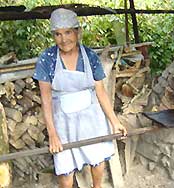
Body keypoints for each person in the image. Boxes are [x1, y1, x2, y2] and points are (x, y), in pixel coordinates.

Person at [33, 8, 127, 188]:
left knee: (97, 159)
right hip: (64, 123)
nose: (64, 39)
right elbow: (46, 100)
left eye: (68, 32)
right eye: (58, 34)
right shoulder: (47, 59)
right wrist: (53, 134)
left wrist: (114, 121)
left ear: (77, 32)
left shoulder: (90, 56)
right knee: (65, 169)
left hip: (92, 119)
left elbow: (100, 91)